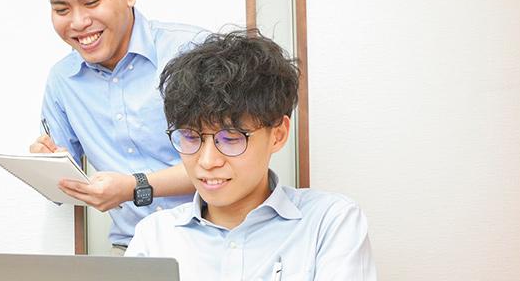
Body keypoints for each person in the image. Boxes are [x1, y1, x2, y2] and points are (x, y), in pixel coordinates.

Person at [125, 30, 377, 280]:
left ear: (278, 134)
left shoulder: (329, 222)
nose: (207, 161)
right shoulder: (155, 237)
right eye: (191, 137)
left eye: (231, 138)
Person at [29, 0, 206, 254]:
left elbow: (229, 162)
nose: (78, 23)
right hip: (131, 248)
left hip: (214, 237)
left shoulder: (190, 52)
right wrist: (47, 167)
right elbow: (62, 189)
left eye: (91, 2)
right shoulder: (62, 81)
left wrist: (133, 187)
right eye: (62, 9)